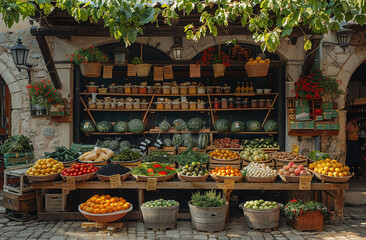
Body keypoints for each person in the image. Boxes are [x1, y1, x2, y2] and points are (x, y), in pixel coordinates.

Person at [346, 115, 360, 180]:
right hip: (350, 142)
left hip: (356, 142)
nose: (356, 120)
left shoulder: (355, 124)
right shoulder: (348, 124)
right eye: (355, 119)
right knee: (350, 158)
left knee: (356, 158)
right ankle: (351, 173)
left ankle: (357, 174)